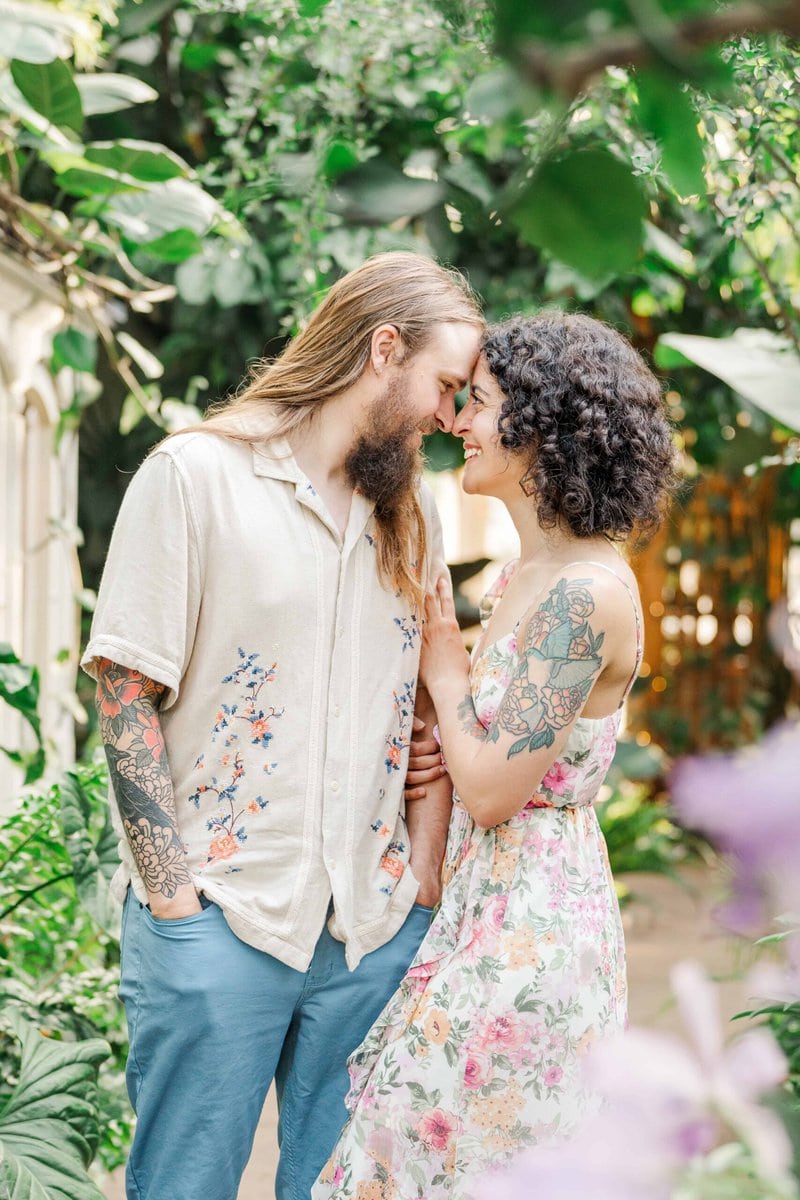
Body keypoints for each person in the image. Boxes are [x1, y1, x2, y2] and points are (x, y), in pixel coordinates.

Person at [81, 252, 483, 1200]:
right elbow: (123, 693)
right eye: (447, 387)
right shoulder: (194, 477)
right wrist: (176, 906)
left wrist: (421, 879)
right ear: (384, 349)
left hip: (369, 936)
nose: (453, 417)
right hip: (220, 922)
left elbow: (425, 698)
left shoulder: (412, 516)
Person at [312, 311, 677, 1198]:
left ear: (539, 430)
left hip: (531, 930)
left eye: (476, 405)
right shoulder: (531, 576)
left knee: (429, 1151)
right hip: (491, 906)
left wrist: (443, 669)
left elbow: (489, 790)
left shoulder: (584, 595)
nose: (457, 423)